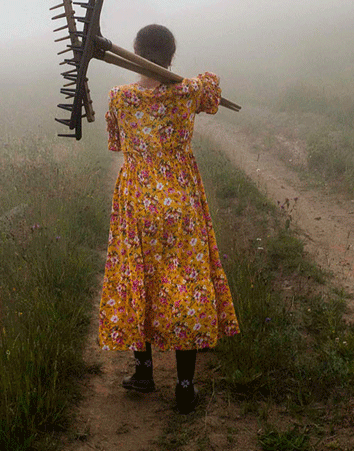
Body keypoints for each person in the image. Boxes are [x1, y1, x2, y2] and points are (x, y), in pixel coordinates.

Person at [97, 23, 240, 414]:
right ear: (172, 58)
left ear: (136, 53)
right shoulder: (188, 91)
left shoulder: (119, 98)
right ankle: (184, 385)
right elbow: (213, 91)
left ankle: (143, 371)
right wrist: (190, 82)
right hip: (180, 200)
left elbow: (116, 143)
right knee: (185, 283)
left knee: (137, 276)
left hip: (138, 199)